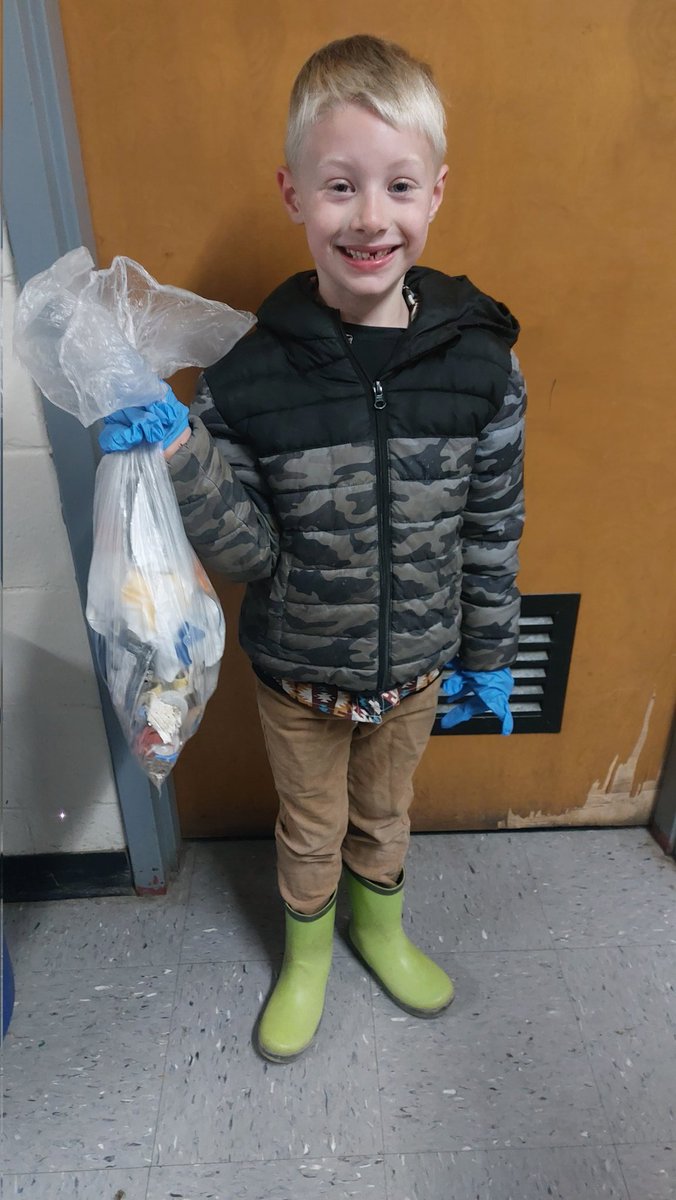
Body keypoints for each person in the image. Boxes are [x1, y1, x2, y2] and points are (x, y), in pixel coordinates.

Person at [100, 34, 526, 1063]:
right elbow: (243, 552)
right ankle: (306, 958)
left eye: (396, 186)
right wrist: (184, 451)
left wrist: (488, 654)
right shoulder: (249, 377)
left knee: (385, 814)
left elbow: (492, 525)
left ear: (436, 193)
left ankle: (378, 929)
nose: (370, 216)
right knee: (311, 826)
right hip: (299, 680)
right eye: (340, 187)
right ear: (294, 194)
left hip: (419, 669)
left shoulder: (480, 367)